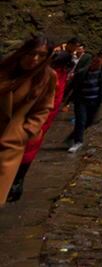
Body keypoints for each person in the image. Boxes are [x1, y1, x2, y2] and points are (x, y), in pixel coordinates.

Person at [7, 52, 74, 203]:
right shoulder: (59, 75)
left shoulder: (52, 76)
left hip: (33, 124)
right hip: (38, 124)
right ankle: (16, 185)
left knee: (22, 154)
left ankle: (15, 186)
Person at [0, 35, 57, 206]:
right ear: (23, 51)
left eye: (41, 55)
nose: (35, 59)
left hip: (11, 141)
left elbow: (45, 107)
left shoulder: (46, 77)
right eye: (32, 53)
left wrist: (27, 130)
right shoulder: (5, 69)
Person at [65, 52, 102, 153]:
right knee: (81, 120)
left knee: (89, 121)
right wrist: (65, 100)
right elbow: (72, 86)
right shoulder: (82, 72)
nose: (95, 64)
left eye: (98, 62)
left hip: (96, 100)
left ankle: (72, 136)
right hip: (81, 100)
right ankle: (78, 142)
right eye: (94, 61)